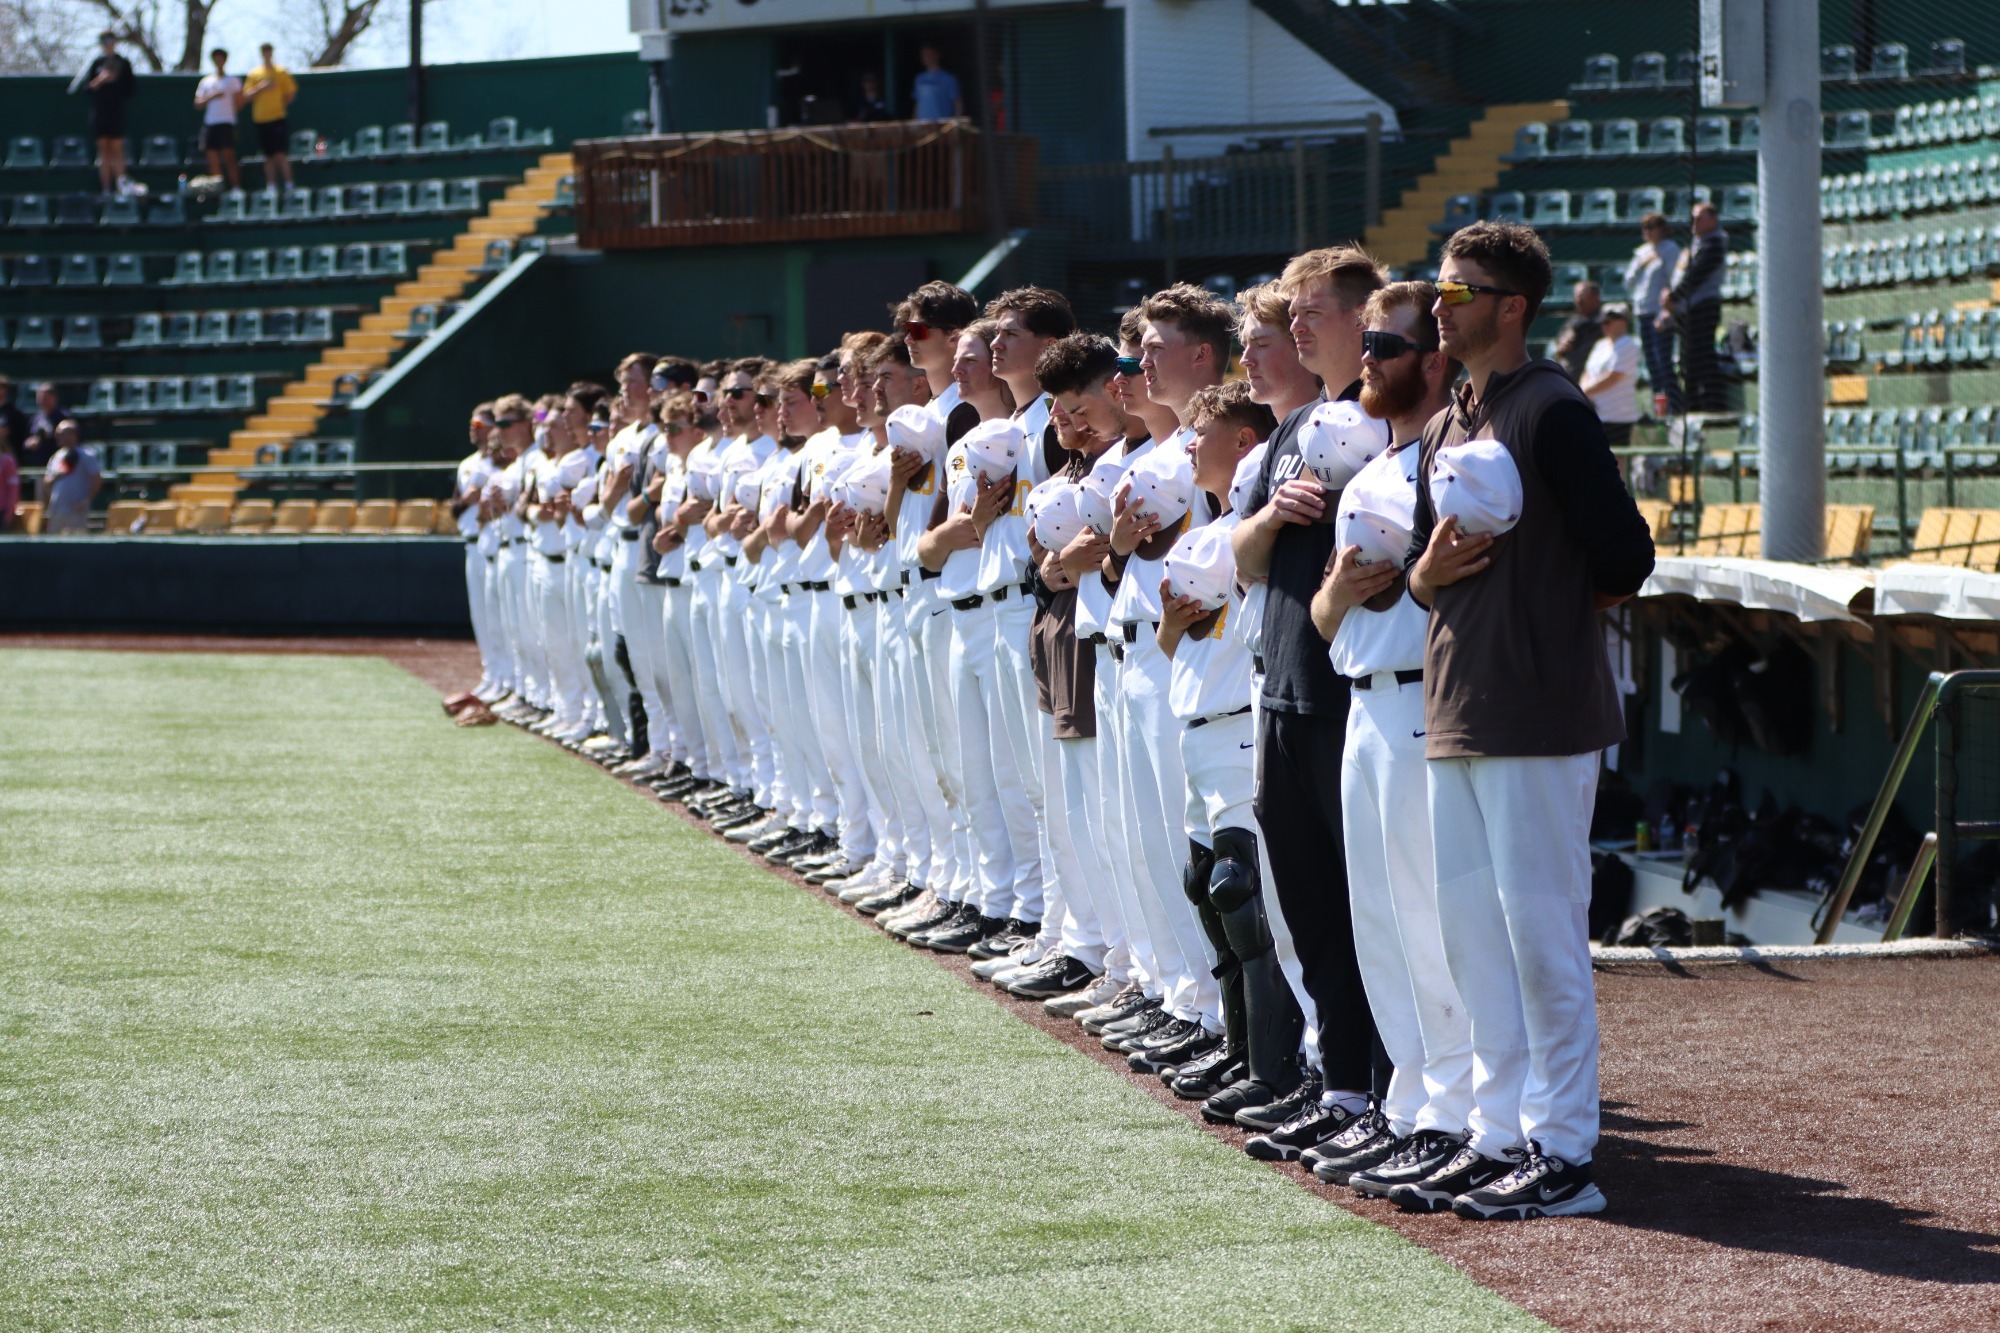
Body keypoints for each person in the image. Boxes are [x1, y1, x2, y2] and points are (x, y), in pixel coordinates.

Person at [1403, 219, 1653, 1220]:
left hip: (1538, 710)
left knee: (1539, 932)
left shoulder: (1549, 408)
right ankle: (1496, 1129)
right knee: (1471, 935)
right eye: (1436, 287)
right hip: (1456, 703)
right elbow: (1426, 570)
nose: (1437, 303)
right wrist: (1421, 575)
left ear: (1509, 307)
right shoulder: (1447, 415)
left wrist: (1550, 614)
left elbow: (1623, 560)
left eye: (1457, 291)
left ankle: (1562, 1151)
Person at [1304, 281, 1474, 1197]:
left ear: (1435, 360)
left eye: (1388, 343)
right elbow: (1326, 614)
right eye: (1364, 341)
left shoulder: (1451, 459)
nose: (1367, 356)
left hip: (1422, 697)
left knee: (1426, 918)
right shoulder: (1371, 465)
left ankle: (1453, 1110)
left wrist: (1399, 581)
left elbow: (1460, 575)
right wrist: (1347, 591)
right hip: (1361, 698)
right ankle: (1409, 1104)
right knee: (1377, 917)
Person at [1229, 246, 1388, 1163]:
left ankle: (1387, 1093)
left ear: (1365, 319)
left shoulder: (1379, 418)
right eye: (1291, 311)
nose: (1296, 326)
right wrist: (1273, 518)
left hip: (1348, 692)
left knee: (1368, 905)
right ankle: (1339, 1085)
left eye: (1315, 311)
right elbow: (1244, 562)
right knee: (1309, 906)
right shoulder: (1296, 429)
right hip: (1282, 687)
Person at [1662, 202, 1727, 413]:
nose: (1694, 223)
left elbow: (1697, 275)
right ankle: (1694, 407)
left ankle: (1711, 406)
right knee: (1688, 360)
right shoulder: (1695, 244)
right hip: (1688, 310)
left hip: (1703, 308)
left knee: (1701, 358)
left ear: (1713, 220)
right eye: (1693, 218)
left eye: (1700, 218)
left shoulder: (1714, 244)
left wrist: (1674, 295)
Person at [1623, 213, 1681, 413]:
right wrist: (1641, 263)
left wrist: (1667, 309)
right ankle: (1661, 409)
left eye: (1652, 227)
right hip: (1643, 313)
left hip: (1659, 313)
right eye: (1644, 228)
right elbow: (1628, 281)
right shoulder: (1641, 253)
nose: (1648, 232)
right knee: (1651, 364)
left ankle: (1676, 407)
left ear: (1662, 228)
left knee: (1663, 360)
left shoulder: (1670, 249)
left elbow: (1674, 279)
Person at [81, 31, 135, 196]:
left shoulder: (123, 63)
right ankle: (106, 189)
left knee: (117, 150)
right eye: (104, 41)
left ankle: (121, 187)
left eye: (110, 40)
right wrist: (101, 79)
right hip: (99, 113)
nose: (107, 43)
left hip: (116, 113)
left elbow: (131, 89)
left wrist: (115, 80)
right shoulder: (96, 63)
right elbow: (87, 88)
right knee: (103, 151)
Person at [1580, 304, 1641, 448]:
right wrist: (1583, 391)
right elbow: (1587, 371)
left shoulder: (1629, 344)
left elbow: (1614, 376)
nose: (1604, 326)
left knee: (1616, 460)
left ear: (1623, 321)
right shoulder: (1600, 345)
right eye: (1602, 322)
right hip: (1594, 413)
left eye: (1608, 322)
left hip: (1617, 415)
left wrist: (1585, 392)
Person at [242, 44, 299, 189]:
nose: (267, 54)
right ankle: (271, 186)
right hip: (260, 120)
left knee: (280, 154)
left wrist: (279, 106)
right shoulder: (254, 74)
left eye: (269, 51)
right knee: (268, 156)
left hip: (278, 119)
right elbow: (246, 96)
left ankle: (289, 184)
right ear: (261, 53)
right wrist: (262, 87)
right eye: (264, 51)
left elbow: (291, 93)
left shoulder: (281, 72)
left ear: (272, 53)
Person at [194, 48, 242, 189]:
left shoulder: (233, 81)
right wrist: (212, 96)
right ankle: (218, 188)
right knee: (212, 157)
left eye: (221, 58)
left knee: (229, 156)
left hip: (226, 123)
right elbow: (197, 103)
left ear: (225, 60)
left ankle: (236, 188)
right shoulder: (206, 81)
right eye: (216, 58)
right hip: (210, 124)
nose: (218, 61)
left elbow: (240, 102)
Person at [42, 423, 101, 534]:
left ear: (73, 435)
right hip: (57, 508)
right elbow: (46, 481)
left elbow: (97, 479)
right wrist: (55, 476)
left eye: (62, 434)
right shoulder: (56, 457)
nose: (58, 437)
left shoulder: (87, 455)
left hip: (76, 509)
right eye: (57, 434)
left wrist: (86, 500)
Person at [1551, 280, 1601, 382]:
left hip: (1594, 379)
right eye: (1576, 296)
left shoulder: (1605, 321)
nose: (1578, 300)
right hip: (1569, 377)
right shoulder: (1571, 322)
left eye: (1582, 296)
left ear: (1595, 298)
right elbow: (1558, 348)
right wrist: (1561, 347)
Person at [23, 383, 71, 473]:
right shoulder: (35, 418)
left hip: (58, 467)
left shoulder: (63, 417)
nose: (42, 401)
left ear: (54, 398)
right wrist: (30, 443)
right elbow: (27, 440)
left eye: (45, 398)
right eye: (40, 398)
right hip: (39, 467)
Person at [912, 44, 963, 121]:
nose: (924, 58)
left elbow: (957, 104)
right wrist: (914, 122)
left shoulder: (948, 78)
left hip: (942, 124)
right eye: (923, 55)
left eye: (927, 54)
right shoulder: (919, 79)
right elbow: (918, 103)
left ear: (936, 55)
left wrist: (956, 124)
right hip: (923, 124)